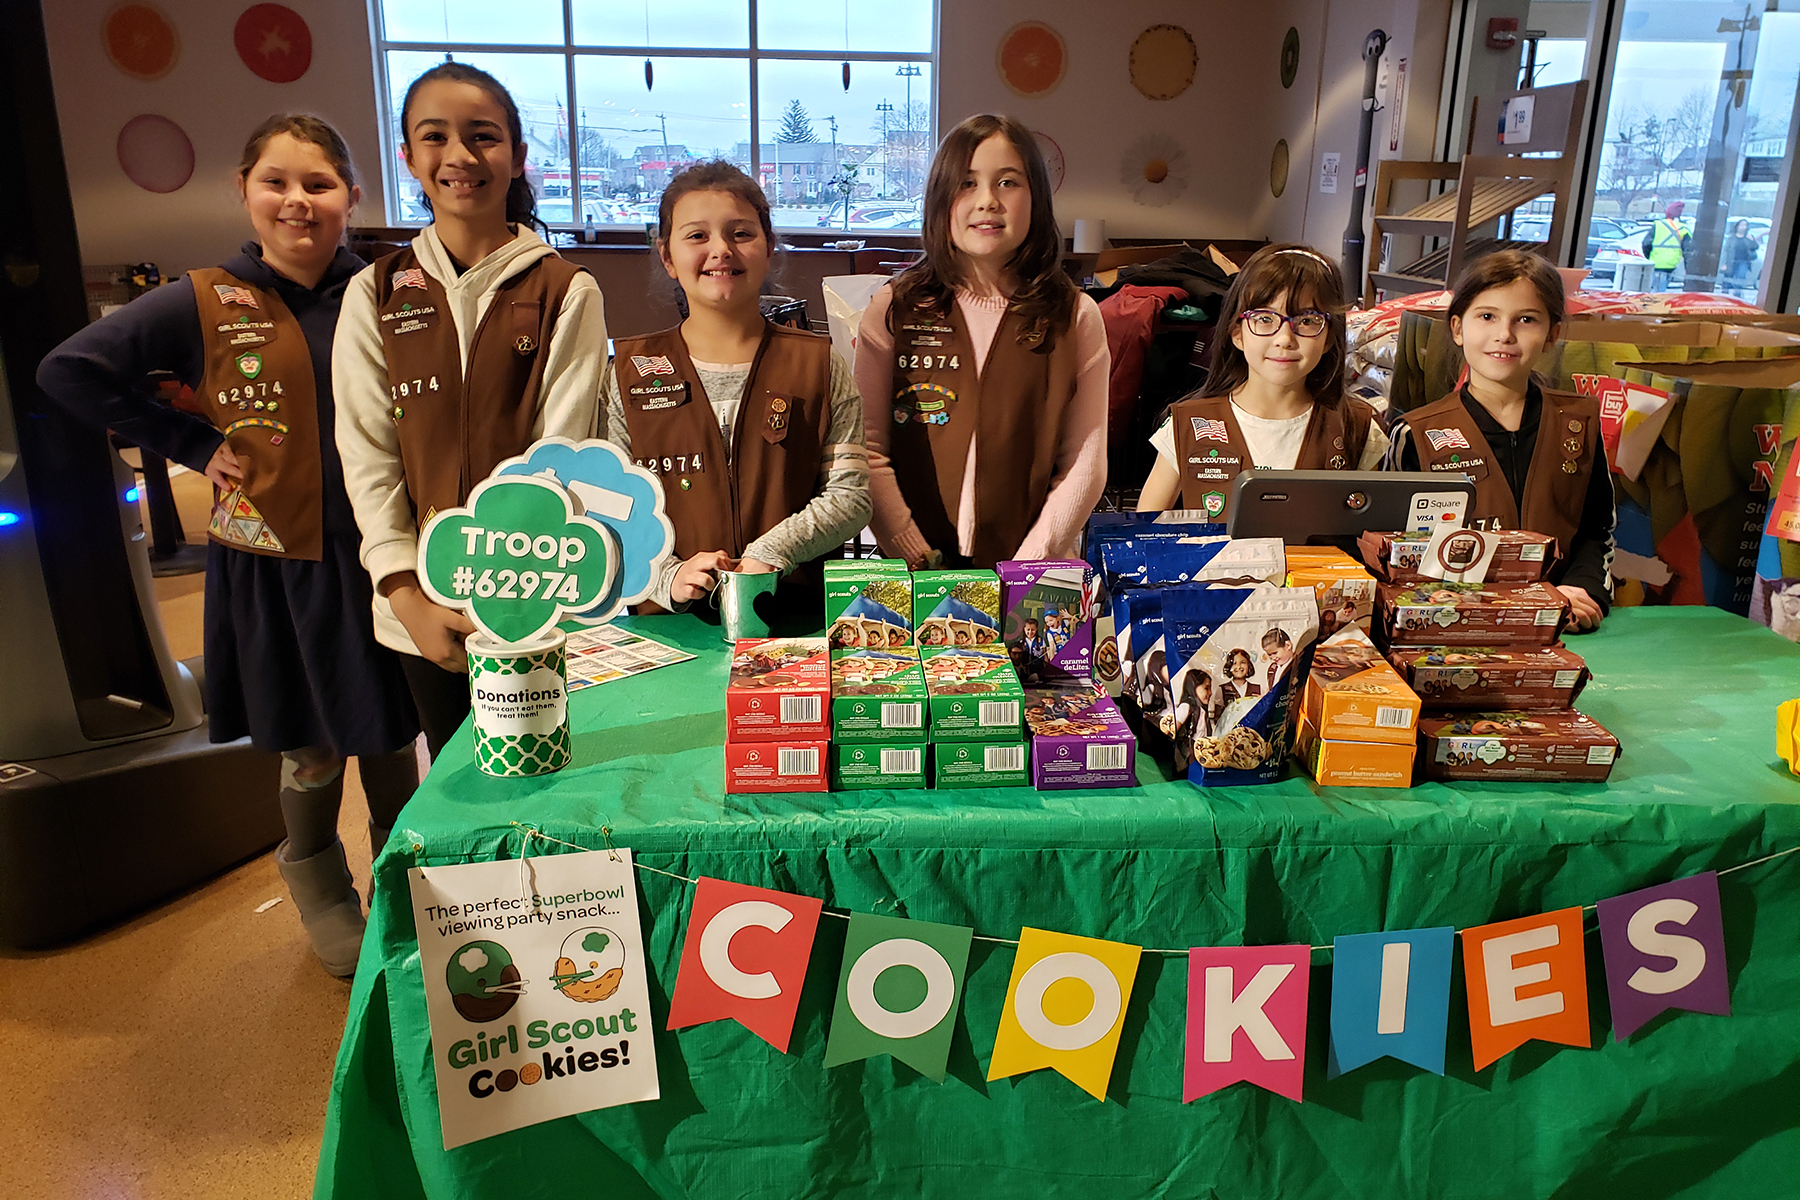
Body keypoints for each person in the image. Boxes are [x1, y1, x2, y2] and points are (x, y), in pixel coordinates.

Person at [37, 115, 420, 976]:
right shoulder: (204, 299)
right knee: (312, 745)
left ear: (353, 195)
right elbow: (70, 371)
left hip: (381, 554)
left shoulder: (389, 293)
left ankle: (406, 886)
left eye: (319, 183)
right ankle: (319, 883)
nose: (298, 201)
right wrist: (190, 442)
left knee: (393, 736)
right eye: (276, 182)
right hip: (277, 565)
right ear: (243, 191)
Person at [335, 63, 607, 759]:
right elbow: (368, 455)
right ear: (408, 157)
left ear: (517, 156)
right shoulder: (375, 292)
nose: (459, 155)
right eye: (435, 137)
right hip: (418, 609)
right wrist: (405, 593)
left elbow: (561, 455)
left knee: (546, 772)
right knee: (455, 775)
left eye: (482, 136)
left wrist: (516, 596)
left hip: (534, 599)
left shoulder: (566, 289)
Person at [603, 161, 869, 609]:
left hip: (793, 618)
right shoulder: (629, 371)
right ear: (667, 257)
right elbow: (611, 506)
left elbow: (850, 496)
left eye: (741, 233)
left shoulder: (819, 364)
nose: (721, 250)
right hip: (668, 627)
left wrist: (770, 553)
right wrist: (666, 575)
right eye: (697, 236)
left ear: (769, 248)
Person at [856, 113, 1110, 569]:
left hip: (1032, 570)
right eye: (967, 183)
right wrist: (916, 555)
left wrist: (1028, 565)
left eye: (1008, 182)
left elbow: (1084, 464)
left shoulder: (1073, 316)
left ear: (1036, 197)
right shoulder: (895, 309)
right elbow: (868, 450)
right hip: (916, 569)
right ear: (940, 198)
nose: (988, 201)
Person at [1385, 249, 1614, 631]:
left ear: (1552, 335)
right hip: (1456, 625)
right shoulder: (1416, 434)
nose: (1504, 335)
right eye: (1487, 316)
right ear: (1458, 328)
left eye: (1526, 319)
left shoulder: (1578, 423)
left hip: (1562, 623)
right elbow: (1396, 549)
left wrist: (1580, 590)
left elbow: (1597, 529)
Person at [1136, 244, 1386, 519]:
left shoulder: (1358, 426)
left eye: (1307, 321)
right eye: (1265, 318)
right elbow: (1146, 528)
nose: (1285, 339)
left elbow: (1374, 530)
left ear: (1329, 337)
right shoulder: (1187, 424)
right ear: (1237, 333)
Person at [1642, 201, 1691, 292]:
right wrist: (1687, 267)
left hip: (1656, 262)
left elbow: (1646, 244)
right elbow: (1687, 250)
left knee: (1656, 290)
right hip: (1672, 263)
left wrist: (1649, 257)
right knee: (1661, 289)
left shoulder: (1658, 224)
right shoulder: (1684, 227)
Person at [1725, 219, 1759, 297]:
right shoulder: (1732, 238)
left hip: (1744, 262)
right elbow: (1726, 251)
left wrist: (1752, 240)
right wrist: (1725, 264)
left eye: (1745, 225)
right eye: (1741, 225)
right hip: (1732, 261)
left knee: (1740, 278)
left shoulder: (1748, 237)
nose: (1743, 227)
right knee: (1728, 280)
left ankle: (1737, 296)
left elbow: (1755, 247)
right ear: (1737, 226)